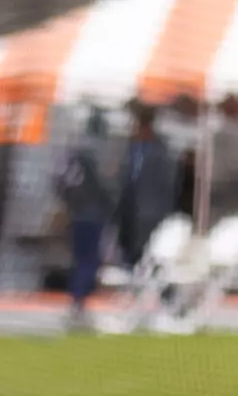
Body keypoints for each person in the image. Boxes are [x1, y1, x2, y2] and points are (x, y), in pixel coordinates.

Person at [56, 109, 113, 327]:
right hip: (91, 215)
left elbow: (61, 183)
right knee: (88, 260)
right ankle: (79, 300)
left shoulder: (75, 153)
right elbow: (100, 187)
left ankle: (78, 300)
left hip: (79, 214)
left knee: (82, 259)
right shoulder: (92, 155)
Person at [115, 103, 177, 269]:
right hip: (126, 209)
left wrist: (162, 211)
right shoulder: (129, 146)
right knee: (126, 250)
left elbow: (168, 184)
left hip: (150, 212)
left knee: (145, 251)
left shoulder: (161, 150)